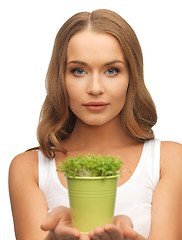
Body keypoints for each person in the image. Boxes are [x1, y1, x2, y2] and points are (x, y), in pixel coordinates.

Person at [9, 9, 182, 240]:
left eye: (112, 70)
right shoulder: (29, 169)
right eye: (78, 71)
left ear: (132, 78)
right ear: (60, 78)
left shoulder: (168, 161)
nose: (95, 88)